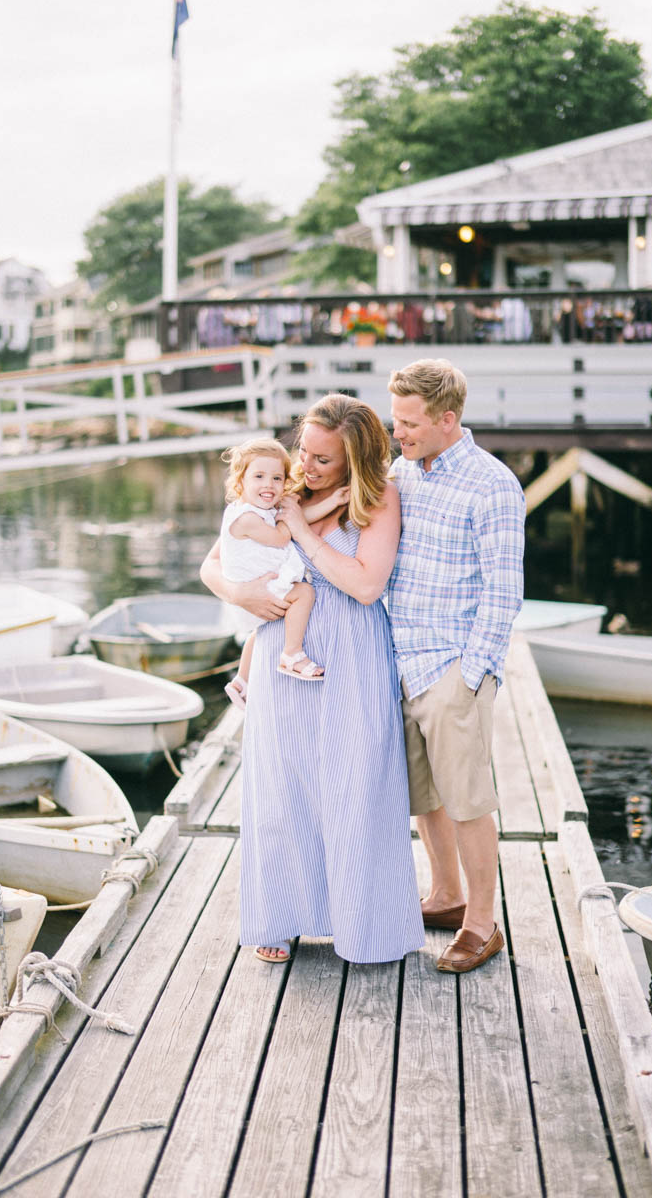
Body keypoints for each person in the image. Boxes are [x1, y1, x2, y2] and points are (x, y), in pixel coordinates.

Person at [200, 395, 424, 965]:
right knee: (283, 785)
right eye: (306, 450)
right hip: (285, 653)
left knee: (356, 789)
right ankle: (277, 916)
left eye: (323, 459)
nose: (308, 464)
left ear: (354, 459)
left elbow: (366, 584)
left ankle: (362, 925)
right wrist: (239, 591)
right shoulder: (282, 490)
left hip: (352, 654)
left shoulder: (377, 499)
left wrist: (301, 528)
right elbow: (214, 560)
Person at [387, 358, 525, 973]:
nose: (398, 433)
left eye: (409, 422)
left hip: (451, 666)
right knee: (425, 794)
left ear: (448, 420)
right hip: (400, 659)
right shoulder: (403, 471)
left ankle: (481, 924)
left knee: (467, 800)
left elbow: (504, 591)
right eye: (395, 421)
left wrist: (470, 676)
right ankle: (444, 896)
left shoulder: (492, 484)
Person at [218, 438, 347, 710]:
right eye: (259, 476)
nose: (269, 484)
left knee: (261, 630)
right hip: (256, 586)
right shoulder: (247, 518)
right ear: (240, 482)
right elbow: (281, 536)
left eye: (277, 478)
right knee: (304, 593)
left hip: (257, 585)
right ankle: (292, 653)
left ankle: (241, 680)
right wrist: (293, 516)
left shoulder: (259, 509)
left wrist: (334, 500)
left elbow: (302, 519)